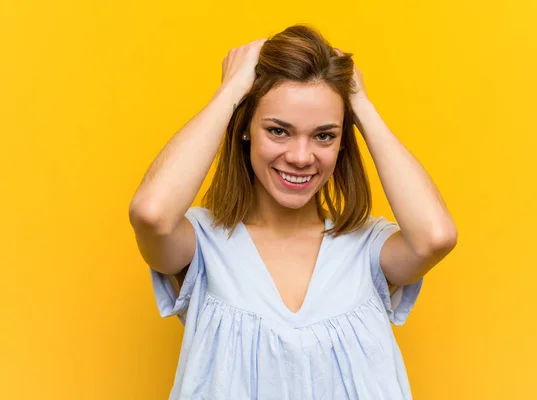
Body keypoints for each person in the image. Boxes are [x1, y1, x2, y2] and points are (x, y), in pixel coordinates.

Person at [129, 24, 457, 400]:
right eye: (278, 131)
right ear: (245, 129)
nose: (301, 158)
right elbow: (151, 213)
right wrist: (231, 92)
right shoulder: (202, 245)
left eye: (324, 135)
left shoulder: (367, 248)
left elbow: (436, 236)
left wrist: (360, 106)